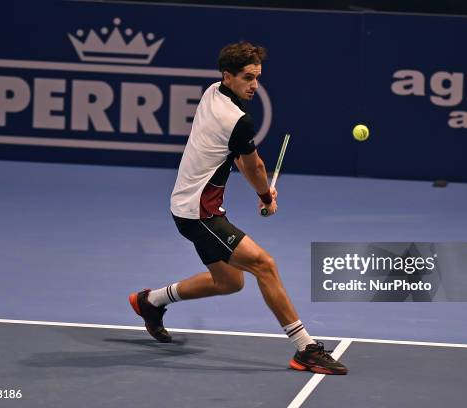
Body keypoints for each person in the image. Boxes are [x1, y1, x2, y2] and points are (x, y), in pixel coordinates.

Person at [129, 41, 347, 375]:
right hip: (196, 212)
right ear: (228, 76)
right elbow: (255, 166)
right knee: (265, 265)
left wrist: (262, 193)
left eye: (258, 77)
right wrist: (264, 194)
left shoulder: (212, 92)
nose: (254, 85)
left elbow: (240, 160)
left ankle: (151, 301)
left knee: (230, 282)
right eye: (247, 77)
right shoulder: (237, 120)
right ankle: (305, 348)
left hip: (194, 207)